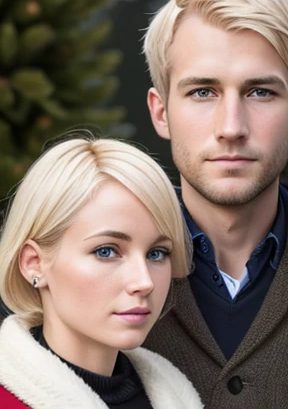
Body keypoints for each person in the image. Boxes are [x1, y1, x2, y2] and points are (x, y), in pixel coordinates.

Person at [143, 0, 288, 409]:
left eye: (260, 91)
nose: (231, 128)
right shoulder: (82, 272)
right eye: (203, 91)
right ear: (162, 112)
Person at [0, 135, 203, 409]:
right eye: (106, 251)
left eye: (157, 253)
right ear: (33, 263)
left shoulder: (175, 394)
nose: (144, 282)